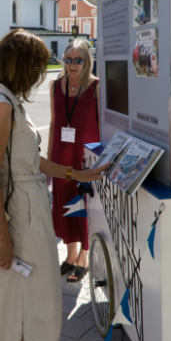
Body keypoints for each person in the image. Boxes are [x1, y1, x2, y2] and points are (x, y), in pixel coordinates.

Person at [0, 29, 106, 341]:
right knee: (21, 295)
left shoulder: (1, 97)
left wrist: (73, 174)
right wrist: (3, 237)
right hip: (17, 215)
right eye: (37, 65)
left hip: (21, 208)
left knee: (16, 293)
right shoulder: (1, 104)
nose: (42, 74)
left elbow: (28, 159)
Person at [47, 39, 101, 283]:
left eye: (77, 60)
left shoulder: (96, 87)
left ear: (86, 61)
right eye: (67, 59)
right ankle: (70, 256)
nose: (71, 65)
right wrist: (49, 156)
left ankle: (84, 257)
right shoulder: (55, 86)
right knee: (65, 205)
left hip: (85, 157)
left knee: (84, 206)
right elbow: (53, 122)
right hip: (61, 155)